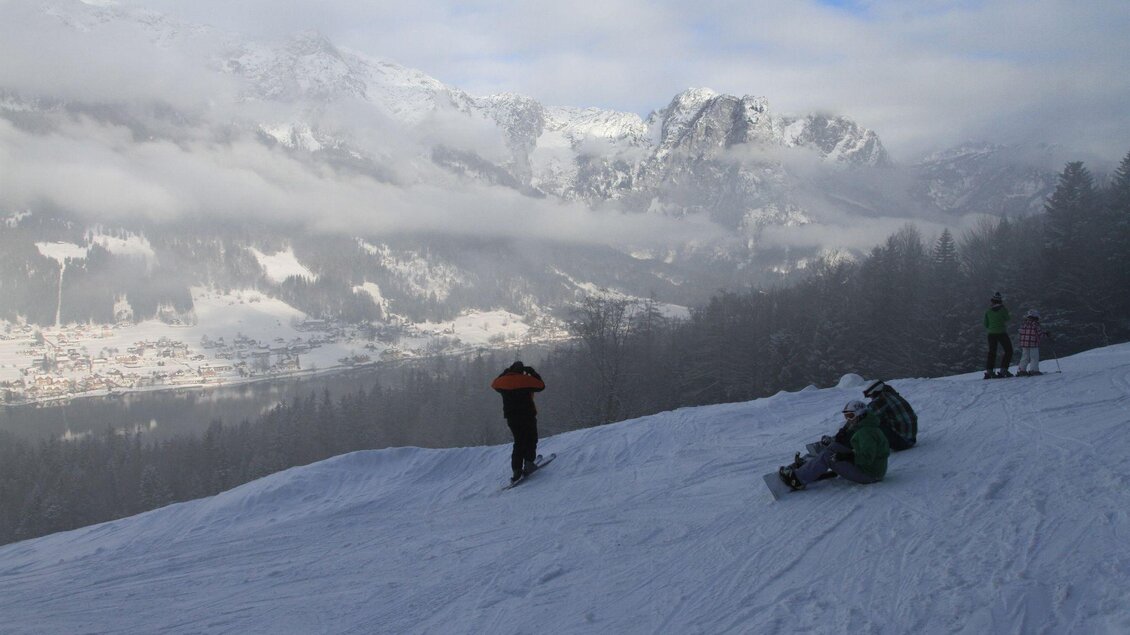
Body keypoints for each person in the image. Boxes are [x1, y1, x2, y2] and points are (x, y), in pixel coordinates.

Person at [778, 400, 890, 491]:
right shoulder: (864, 424)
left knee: (828, 456)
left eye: (851, 416)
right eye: (846, 416)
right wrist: (841, 435)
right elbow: (848, 430)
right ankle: (809, 466)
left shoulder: (866, 432)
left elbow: (867, 458)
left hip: (870, 474)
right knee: (834, 446)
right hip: (871, 469)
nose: (848, 420)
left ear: (860, 414)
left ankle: (797, 480)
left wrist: (847, 456)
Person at [490, 361, 545, 483]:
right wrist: (532, 372)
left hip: (512, 418)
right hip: (527, 415)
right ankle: (529, 463)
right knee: (531, 438)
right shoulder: (525, 380)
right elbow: (541, 386)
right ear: (522, 370)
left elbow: (494, 384)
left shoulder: (503, 382)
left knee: (519, 442)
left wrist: (505, 373)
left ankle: (516, 469)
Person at [862, 379, 916, 451]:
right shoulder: (891, 394)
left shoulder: (881, 400)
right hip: (911, 438)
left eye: (871, 396)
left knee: (869, 423)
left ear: (875, 392)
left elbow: (863, 416)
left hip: (903, 442)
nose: (871, 398)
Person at [983, 291, 1013, 379]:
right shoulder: (1003, 309)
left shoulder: (988, 311)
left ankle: (989, 371)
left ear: (992, 301)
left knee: (992, 352)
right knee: (1008, 350)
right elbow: (1008, 318)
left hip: (991, 334)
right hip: (1002, 333)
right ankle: (1004, 369)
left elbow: (985, 324)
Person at [1016, 309, 1051, 376]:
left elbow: (1020, 331)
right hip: (1033, 343)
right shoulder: (1035, 324)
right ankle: (1034, 370)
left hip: (1024, 343)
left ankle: (1021, 370)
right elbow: (1040, 334)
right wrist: (1046, 334)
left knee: (1024, 357)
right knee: (1034, 357)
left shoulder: (1024, 324)